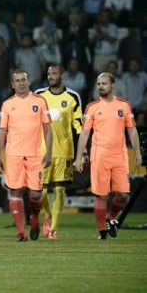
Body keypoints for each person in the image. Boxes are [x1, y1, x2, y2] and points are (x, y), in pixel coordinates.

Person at [74, 72, 141, 240]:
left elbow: (132, 130)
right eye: (98, 84)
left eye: (104, 84)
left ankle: (110, 217)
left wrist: (138, 152)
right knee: (101, 195)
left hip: (120, 156)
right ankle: (102, 231)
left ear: (113, 85)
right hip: (99, 156)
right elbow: (84, 134)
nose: (100, 87)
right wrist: (79, 156)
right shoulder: (92, 107)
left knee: (123, 195)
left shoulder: (124, 105)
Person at [0, 69, 52, 242]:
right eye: (17, 81)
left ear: (29, 81)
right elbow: (1, 133)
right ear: (12, 84)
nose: (20, 83)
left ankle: (34, 218)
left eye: (23, 80)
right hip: (13, 155)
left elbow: (48, 130)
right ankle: (21, 231)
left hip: (35, 155)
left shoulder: (40, 101)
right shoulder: (7, 104)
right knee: (15, 192)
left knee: (35, 195)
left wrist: (49, 152)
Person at [35, 64, 82, 240]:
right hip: (42, 151)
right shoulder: (39, 95)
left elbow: (79, 127)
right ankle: (48, 215)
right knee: (42, 192)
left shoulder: (73, 97)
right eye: (48, 74)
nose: (51, 76)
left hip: (64, 150)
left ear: (62, 75)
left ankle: (53, 229)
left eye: (54, 73)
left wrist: (81, 153)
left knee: (60, 191)